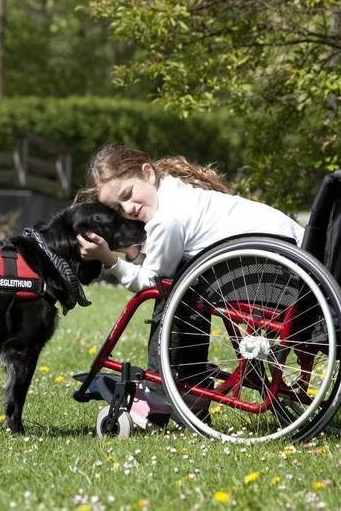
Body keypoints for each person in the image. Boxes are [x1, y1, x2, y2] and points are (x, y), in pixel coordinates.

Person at [76, 144, 304, 428]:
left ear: (147, 173)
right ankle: (187, 388)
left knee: (170, 291)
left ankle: (163, 391)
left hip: (270, 276)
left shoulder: (166, 219)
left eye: (127, 195)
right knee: (182, 283)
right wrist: (135, 253)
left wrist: (108, 259)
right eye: (117, 208)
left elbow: (149, 282)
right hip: (290, 265)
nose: (129, 209)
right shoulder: (182, 195)